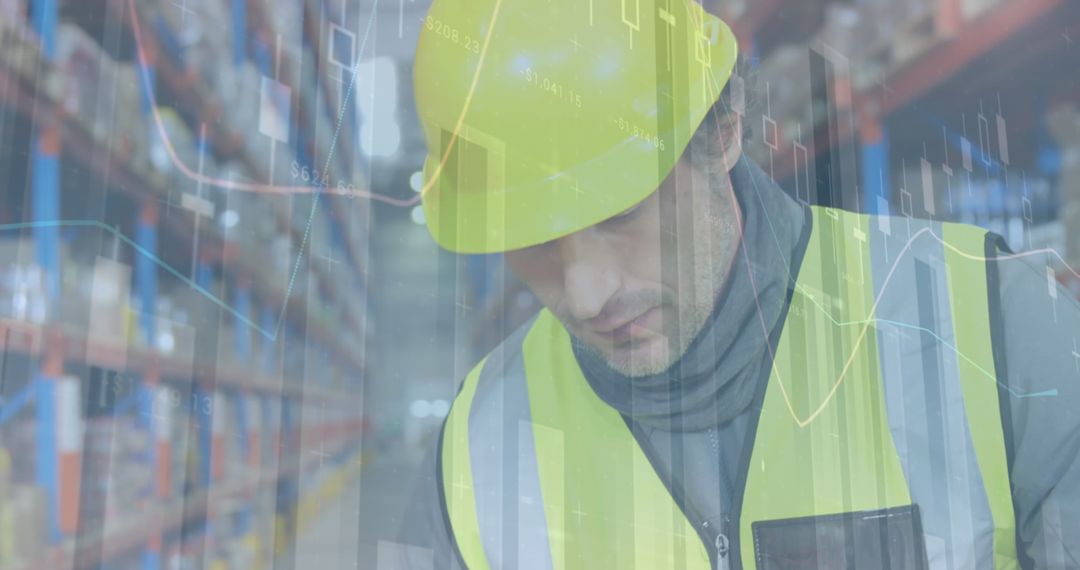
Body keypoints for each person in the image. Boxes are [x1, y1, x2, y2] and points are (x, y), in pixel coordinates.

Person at [398, 0, 1080, 567]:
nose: (586, 295)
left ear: (722, 134)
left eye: (620, 213)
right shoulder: (477, 450)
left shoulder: (997, 331)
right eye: (536, 244)